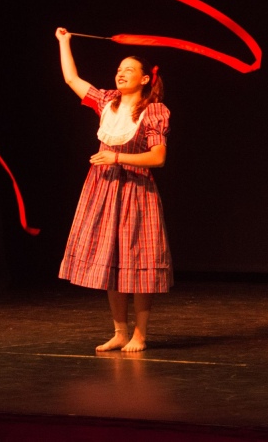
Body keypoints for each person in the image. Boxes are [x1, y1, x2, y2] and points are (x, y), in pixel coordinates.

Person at [55, 27, 172, 352]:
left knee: (138, 261)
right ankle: (120, 331)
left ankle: (140, 334)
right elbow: (71, 79)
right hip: (103, 191)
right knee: (112, 261)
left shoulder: (153, 111)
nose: (121, 74)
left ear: (146, 78)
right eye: (119, 70)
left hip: (135, 191)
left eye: (129, 70)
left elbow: (158, 157)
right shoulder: (106, 101)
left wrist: (117, 156)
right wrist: (64, 42)